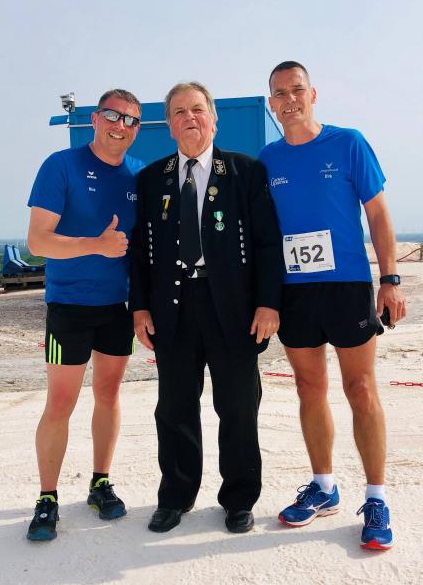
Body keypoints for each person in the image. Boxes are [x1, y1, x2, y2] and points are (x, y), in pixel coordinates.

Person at [259, 61, 407, 550]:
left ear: (313, 94)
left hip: (347, 286)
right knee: (308, 388)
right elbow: (261, 235)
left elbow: (378, 212)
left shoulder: (348, 143)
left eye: (296, 90)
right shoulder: (267, 159)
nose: (289, 100)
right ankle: (323, 487)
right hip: (294, 291)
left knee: (360, 388)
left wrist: (390, 280)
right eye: (280, 94)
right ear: (271, 103)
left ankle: (377, 497)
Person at [130, 82, 283, 534]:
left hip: (233, 309)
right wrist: (140, 307)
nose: (189, 118)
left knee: (238, 406)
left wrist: (268, 303)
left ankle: (239, 498)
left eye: (197, 109)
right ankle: (176, 496)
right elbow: (140, 252)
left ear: (213, 119)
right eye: (179, 112)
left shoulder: (245, 172)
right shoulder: (151, 179)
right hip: (173, 309)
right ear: (169, 125)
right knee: (174, 408)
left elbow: (267, 244)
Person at [24, 89, 145, 541]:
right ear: (95, 119)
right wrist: (96, 244)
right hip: (69, 306)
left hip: (117, 308)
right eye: (113, 115)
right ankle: (47, 498)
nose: (121, 126)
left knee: (109, 396)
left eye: (131, 120)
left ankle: (100, 483)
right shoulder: (61, 166)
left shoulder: (138, 175)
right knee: (61, 404)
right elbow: (38, 241)